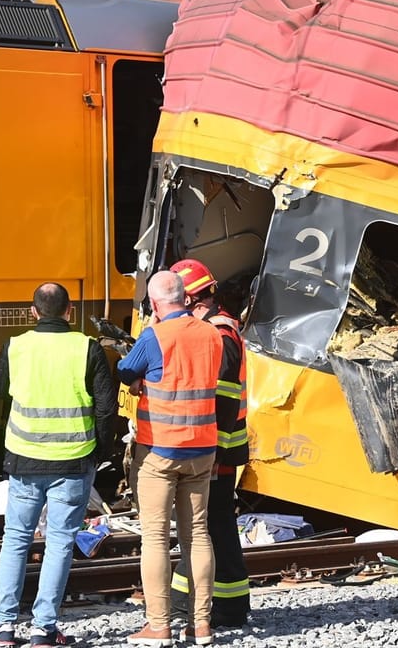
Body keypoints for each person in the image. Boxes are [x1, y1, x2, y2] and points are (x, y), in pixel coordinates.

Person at [0, 283, 117, 648]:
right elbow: (106, 409)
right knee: (59, 542)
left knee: (15, 539)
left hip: (25, 458)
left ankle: (5, 626)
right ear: (69, 311)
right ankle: (44, 629)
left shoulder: (17, 346)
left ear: (33, 312)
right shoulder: (87, 348)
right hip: (74, 461)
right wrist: (100, 453)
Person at [120, 270, 223, 647]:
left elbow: (126, 370)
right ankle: (201, 626)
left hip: (160, 451)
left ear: (153, 304)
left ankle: (159, 626)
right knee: (197, 534)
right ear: (186, 297)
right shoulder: (212, 333)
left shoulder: (154, 336)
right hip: (202, 449)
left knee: (156, 540)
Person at [167, 259, 251, 630]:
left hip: (218, 451)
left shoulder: (219, 335)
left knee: (201, 527)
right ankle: (230, 608)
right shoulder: (215, 330)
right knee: (214, 527)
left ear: (190, 299)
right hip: (217, 449)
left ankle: (186, 609)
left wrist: (210, 453)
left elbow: (224, 400)